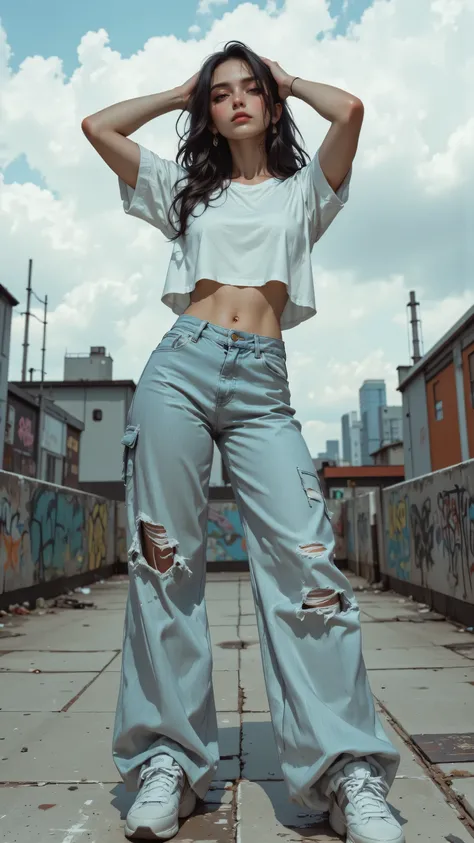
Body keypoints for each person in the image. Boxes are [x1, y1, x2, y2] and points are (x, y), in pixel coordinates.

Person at [82, 40, 404, 843]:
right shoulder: (186, 193)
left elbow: (352, 112)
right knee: (166, 561)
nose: (235, 100)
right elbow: (98, 127)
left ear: (269, 100)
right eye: (220, 93)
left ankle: (345, 769)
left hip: (264, 388)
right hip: (179, 371)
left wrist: (290, 80)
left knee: (306, 561)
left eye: (248, 89)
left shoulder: (302, 195)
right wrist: (178, 91)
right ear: (209, 109)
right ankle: (168, 759)